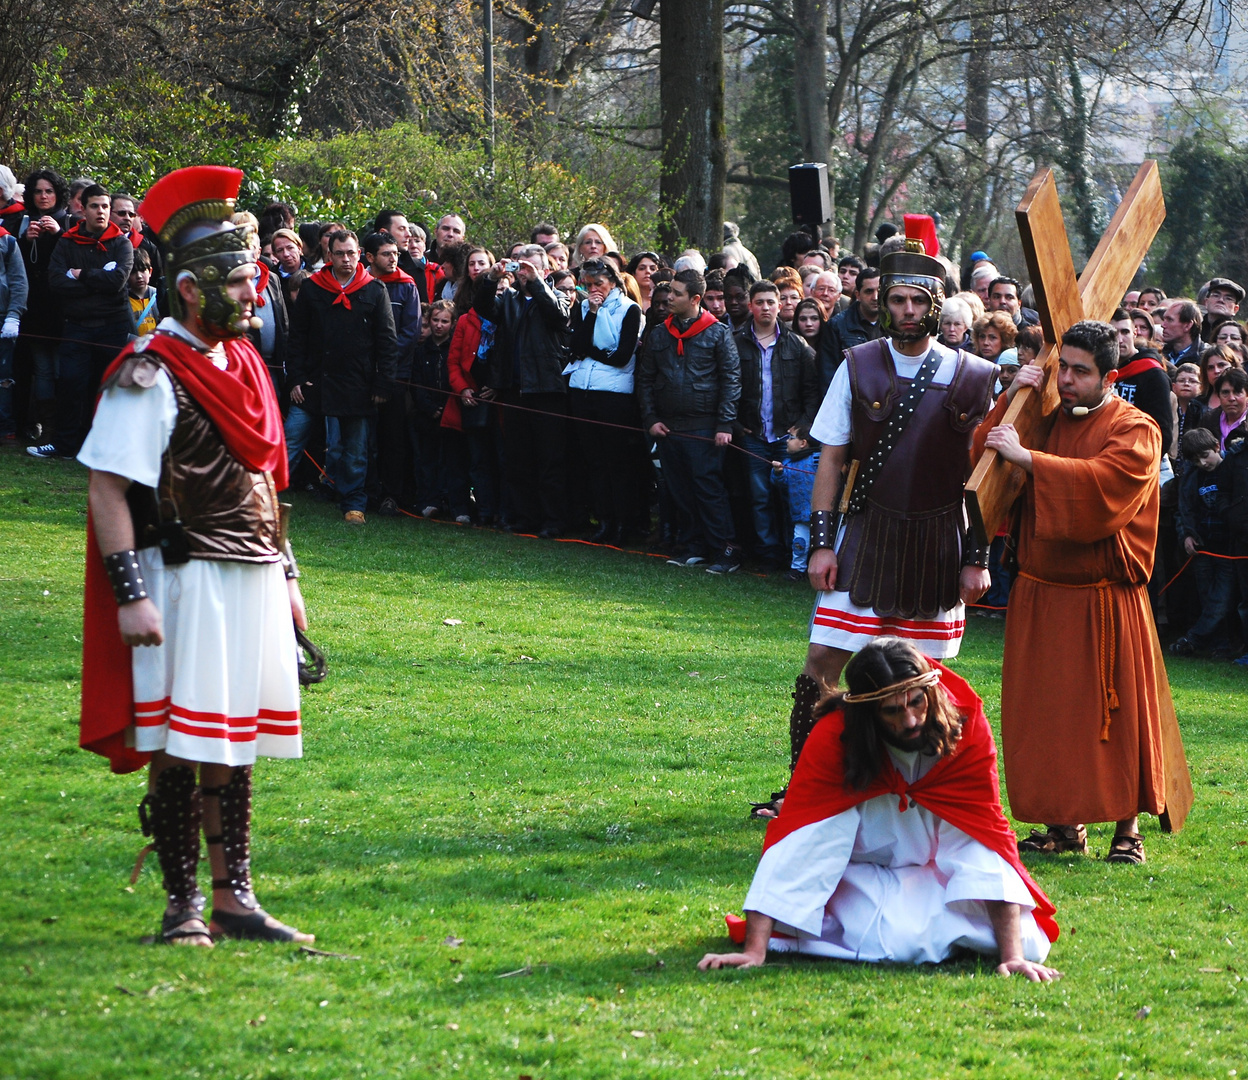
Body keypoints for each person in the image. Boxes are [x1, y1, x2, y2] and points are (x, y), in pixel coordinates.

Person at [77, 164, 311, 946]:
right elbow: (108, 489)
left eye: (256, 282)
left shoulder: (243, 366)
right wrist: (130, 594)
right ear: (191, 289)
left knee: (233, 739)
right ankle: (183, 909)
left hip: (250, 576)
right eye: (243, 284)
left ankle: (235, 898)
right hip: (180, 580)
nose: (257, 296)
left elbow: (268, 483)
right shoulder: (151, 372)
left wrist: (289, 575)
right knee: (182, 745)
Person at [754, 243, 995, 819]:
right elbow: (832, 460)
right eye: (897, 300)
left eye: (917, 300)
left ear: (936, 307)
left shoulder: (978, 376)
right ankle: (806, 788)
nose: (907, 310)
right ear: (883, 305)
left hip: (939, 541)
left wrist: (977, 556)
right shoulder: (858, 363)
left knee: (928, 678)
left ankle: (923, 792)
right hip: (863, 534)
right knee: (821, 665)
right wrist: (820, 544)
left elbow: (987, 476)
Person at [699, 639, 1060, 977]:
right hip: (857, 875)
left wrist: (1012, 956)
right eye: (892, 711)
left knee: (1029, 943)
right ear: (867, 712)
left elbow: (982, 834)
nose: (910, 721)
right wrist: (755, 950)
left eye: (916, 702)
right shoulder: (833, 738)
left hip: (934, 873)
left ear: (930, 693)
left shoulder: (966, 728)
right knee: (897, 941)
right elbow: (802, 837)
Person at [977, 320, 1181, 863]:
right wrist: (1013, 396)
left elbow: (1105, 485)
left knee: (1114, 716)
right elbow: (983, 463)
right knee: (1045, 716)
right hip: (1040, 593)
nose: (1065, 380)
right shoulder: (1043, 420)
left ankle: (1126, 832)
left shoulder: (1136, 427)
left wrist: (1030, 460)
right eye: (1060, 367)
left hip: (1103, 600)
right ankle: (1063, 827)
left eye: (1079, 371)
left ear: (1109, 376)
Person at [286, 229, 397, 524]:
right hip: (315, 382)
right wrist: (296, 377)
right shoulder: (312, 289)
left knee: (356, 449)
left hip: (358, 384)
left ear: (359, 254)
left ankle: (354, 503)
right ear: (329, 256)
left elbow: (387, 341)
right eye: (340, 254)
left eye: (351, 253)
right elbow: (296, 337)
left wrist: (383, 383)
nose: (346, 259)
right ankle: (268, 492)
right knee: (291, 436)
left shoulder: (375, 290)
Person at [636, 268, 742, 573]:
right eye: (670, 292)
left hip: (705, 426)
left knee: (709, 490)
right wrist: (651, 418)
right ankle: (692, 546)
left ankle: (725, 550)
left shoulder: (718, 332)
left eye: (678, 293)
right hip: (668, 426)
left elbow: (731, 380)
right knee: (679, 489)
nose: (669, 298)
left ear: (695, 299)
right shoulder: (659, 333)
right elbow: (645, 379)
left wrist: (724, 423)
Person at [474, 245, 572, 537]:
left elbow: (557, 316)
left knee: (550, 460)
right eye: (520, 266)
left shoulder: (561, 296)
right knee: (519, 459)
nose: (524, 272)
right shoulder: (509, 300)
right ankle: (526, 517)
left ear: (544, 270)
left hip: (547, 390)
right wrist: (491, 279)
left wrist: (538, 283)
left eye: (530, 267)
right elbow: (482, 309)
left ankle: (554, 520)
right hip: (515, 389)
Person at [31, 184, 134, 459]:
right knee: (71, 386)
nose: (100, 211)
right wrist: (97, 278)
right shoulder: (67, 241)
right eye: (94, 206)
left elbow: (117, 281)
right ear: (82, 209)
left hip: (112, 327)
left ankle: (101, 448)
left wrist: (81, 275)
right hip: (76, 326)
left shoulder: (121, 243)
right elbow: (56, 281)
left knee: (106, 388)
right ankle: (65, 447)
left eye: (104, 206)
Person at [733, 280, 821, 568]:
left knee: (792, 498)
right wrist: (734, 423)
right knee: (758, 497)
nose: (766, 307)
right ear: (751, 306)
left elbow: (813, 390)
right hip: (753, 434)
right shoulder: (736, 341)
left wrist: (803, 426)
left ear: (780, 306)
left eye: (771, 302)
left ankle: (791, 554)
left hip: (788, 437)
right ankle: (768, 555)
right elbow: (726, 385)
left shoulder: (797, 344)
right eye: (759, 302)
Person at [565, 258, 643, 545]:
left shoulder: (629, 309)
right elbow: (577, 346)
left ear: (613, 282)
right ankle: (604, 521)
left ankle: (624, 523)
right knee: (595, 462)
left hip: (614, 396)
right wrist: (594, 315)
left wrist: (590, 352)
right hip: (583, 391)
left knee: (617, 463)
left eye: (599, 283)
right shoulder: (585, 307)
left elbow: (622, 356)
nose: (594, 289)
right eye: (588, 284)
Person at [363, 231, 422, 515]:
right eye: (387, 254)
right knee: (363, 437)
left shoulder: (406, 286)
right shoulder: (359, 284)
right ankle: (364, 491)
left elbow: (409, 333)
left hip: (395, 375)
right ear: (370, 257)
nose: (393, 259)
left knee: (393, 438)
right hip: (361, 374)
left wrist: (384, 366)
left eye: (395, 254)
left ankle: (391, 495)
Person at [1170, 428, 1233, 657]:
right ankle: (1220, 644)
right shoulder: (1191, 477)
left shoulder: (1232, 468)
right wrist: (1186, 535)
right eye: (1196, 460)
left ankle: (1193, 638)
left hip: (1229, 547)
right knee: (1208, 597)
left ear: (1217, 446)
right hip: (1202, 546)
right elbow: (1184, 510)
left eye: (1205, 455)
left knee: (1222, 599)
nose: (1203, 463)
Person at [815, 266, 882, 392]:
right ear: (858, 294)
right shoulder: (837, 325)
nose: (875, 297)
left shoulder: (894, 324)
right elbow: (827, 375)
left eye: (879, 290)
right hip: (849, 399)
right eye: (869, 291)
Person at [771, 426, 820, 581]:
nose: (787, 441)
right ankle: (797, 570)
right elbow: (781, 482)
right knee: (800, 543)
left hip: (822, 513)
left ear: (803, 443)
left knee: (825, 542)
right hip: (800, 513)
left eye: (791, 438)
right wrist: (778, 472)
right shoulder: (788, 463)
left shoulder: (818, 459)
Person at [0, 212, 28, 442]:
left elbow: (19, 282)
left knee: (3, 376)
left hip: (2, 319)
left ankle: (5, 427)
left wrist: (13, 315)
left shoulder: (7, 241)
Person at [127, 248, 159, 337]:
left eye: (142, 270)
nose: (139, 276)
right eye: (133, 272)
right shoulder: (124, 301)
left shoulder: (158, 296)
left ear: (150, 271)